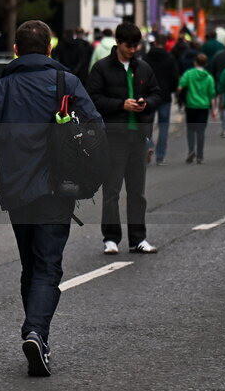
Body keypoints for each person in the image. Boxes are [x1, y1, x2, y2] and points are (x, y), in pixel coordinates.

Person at [0, 20, 102, 377]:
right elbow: (95, 126)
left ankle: (36, 332)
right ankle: (36, 331)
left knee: (30, 264)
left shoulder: (1, 87)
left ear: (16, 50)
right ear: (50, 48)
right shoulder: (66, 82)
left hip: (17, 189)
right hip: (58, 186)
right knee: (48, 264)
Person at [87, 22, 163, 255]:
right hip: (113, 137)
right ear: (118, 43)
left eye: (136, 46)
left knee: (137, 192)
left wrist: (145, 103)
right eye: (129, 45)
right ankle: (110, 238)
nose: (133, 50)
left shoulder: (143, 68)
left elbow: (156, 94)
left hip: (138, 136)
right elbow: (93, 99)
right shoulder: (101, 68)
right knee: (111, 191)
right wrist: (121, 104)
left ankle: (138, 239)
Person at [143, 33, 178, 165]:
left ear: (155, 42)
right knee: (164, 126)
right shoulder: (170, 58)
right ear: (165, 43)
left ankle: (148, 145)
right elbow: (175, 77)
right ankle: (161, 156)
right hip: (164, 95)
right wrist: (172, 90)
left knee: (147, 124)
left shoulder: (146, 58)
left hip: (149, 95)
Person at [178, 53, 217, 164]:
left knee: (190, 130)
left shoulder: (189, 74)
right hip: (204, 107)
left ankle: (191, 150)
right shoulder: (209, 77)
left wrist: (180, 98)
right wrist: (213, 110)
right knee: (201, 131)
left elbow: (180, 86)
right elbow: (212, 95)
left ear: (195, 62)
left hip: (191, 106)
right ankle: (200, 155)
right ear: (206, 64)